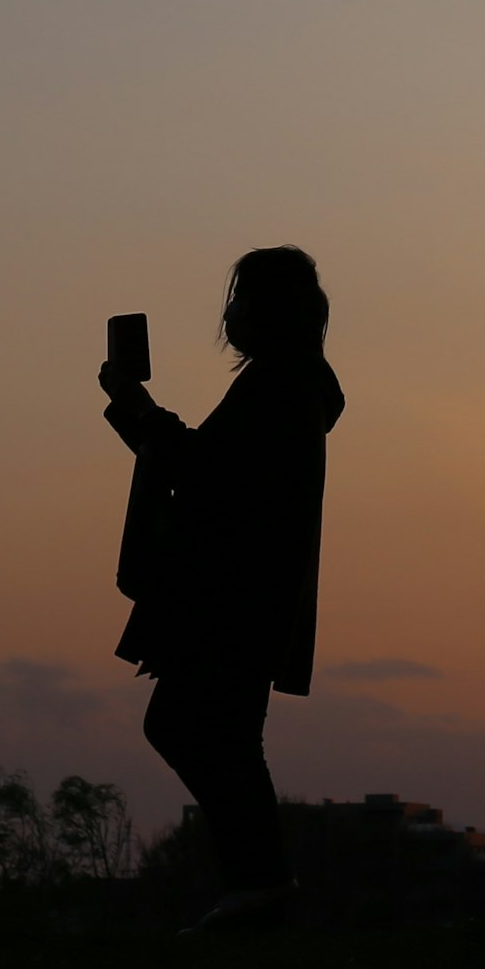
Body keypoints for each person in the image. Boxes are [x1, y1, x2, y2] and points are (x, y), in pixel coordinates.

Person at [105, 246, 344, 931]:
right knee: (216, 732)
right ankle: (258, 885)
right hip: (248, 595)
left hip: (232, 595)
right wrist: (140, 415)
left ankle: (260, 883)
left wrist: (137, 407)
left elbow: (204, 471)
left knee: (197, 728)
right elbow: (205, 467)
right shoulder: (291, 385)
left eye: (242, 297)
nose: (231, 311)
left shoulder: (278, 387)